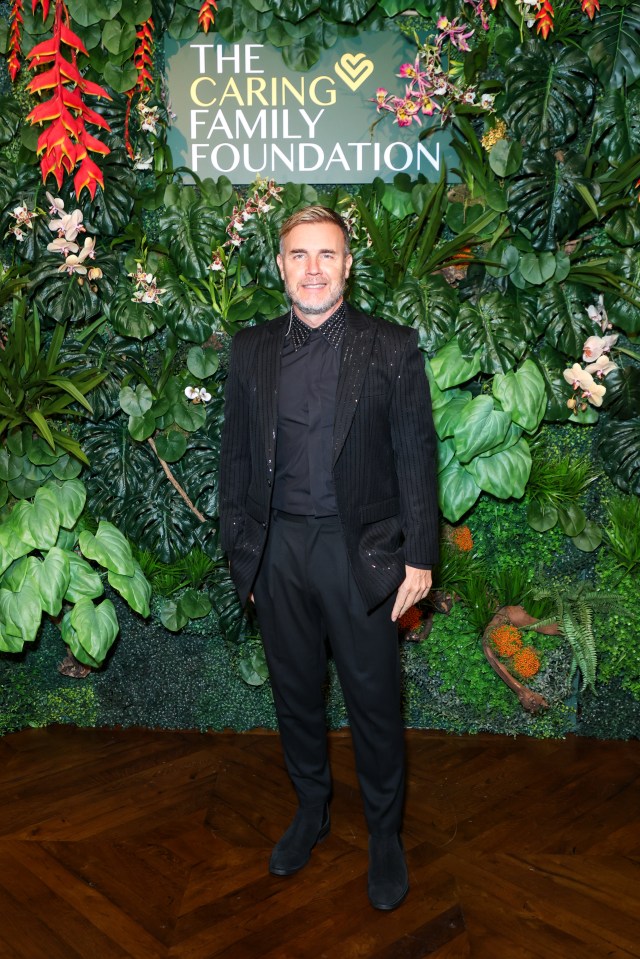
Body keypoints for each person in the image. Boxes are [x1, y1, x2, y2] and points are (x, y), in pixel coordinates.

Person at [219, 205, 438, 911]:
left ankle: (383, 834)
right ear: (280, 265)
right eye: (298, 254)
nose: (312, 267)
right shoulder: (249, 350)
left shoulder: (390, 347)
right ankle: (311, 809)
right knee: (295, 696)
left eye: (326, 254)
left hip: (361, 553)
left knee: (375, 702)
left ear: (348, 264)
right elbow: (235, 463)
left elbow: (415, 458)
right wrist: (243, 557)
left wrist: (421, 558)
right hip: (278, 549)